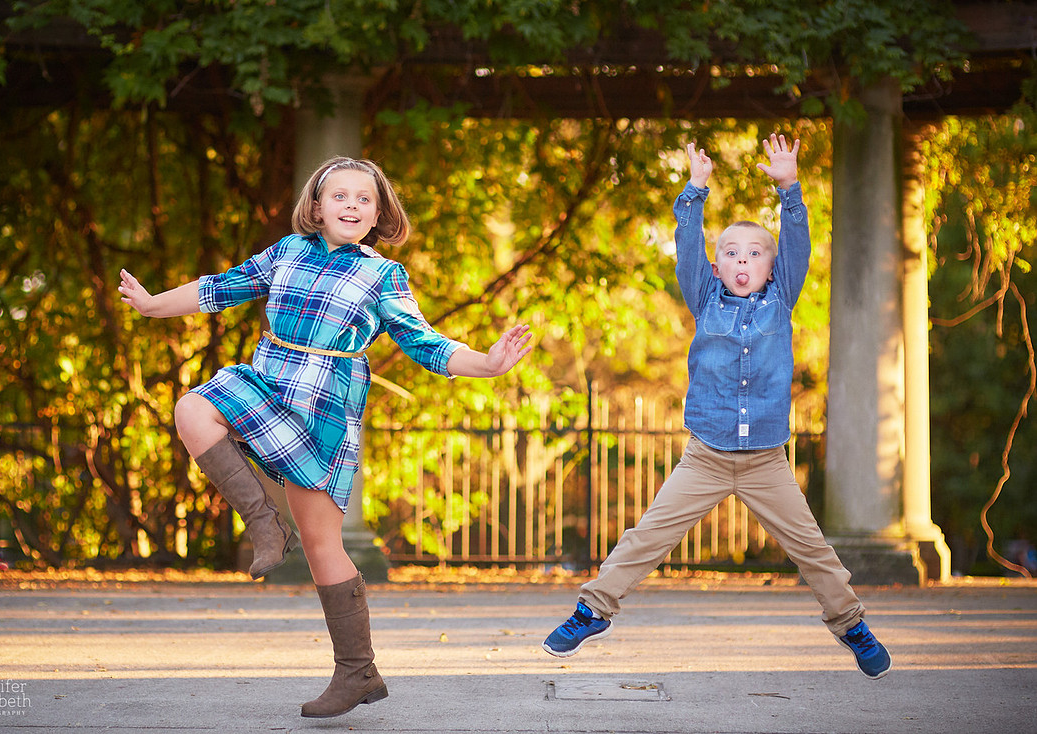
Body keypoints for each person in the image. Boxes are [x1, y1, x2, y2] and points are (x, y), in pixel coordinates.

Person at [118, 156, 533, 717]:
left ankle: (358, 672)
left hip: (325, 406)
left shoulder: (382, 275)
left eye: (365, 199)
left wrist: (487, 363)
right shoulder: (286, 251)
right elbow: (218, 288)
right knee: (193, 408)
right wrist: (151, 305)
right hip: (268, 381)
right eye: (340, 196)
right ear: (316, 207)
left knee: (322, 546)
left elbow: (425, 343)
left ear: (379, 214)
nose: (352, 206)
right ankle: (265, 524)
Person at [542, 134, 892, 680]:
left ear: (772, 267)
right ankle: (593, 610)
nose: (741, 259)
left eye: (754, 252)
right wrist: (695, 190)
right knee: (649, 535)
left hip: (766, 461)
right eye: (730, 252)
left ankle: (851, 624)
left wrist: (789, 189)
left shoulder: (781, 298)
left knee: (811, 548)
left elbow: (796, 243)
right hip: (705, 457)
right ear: (717, 266)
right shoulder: (704, 299)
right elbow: (687, 246)